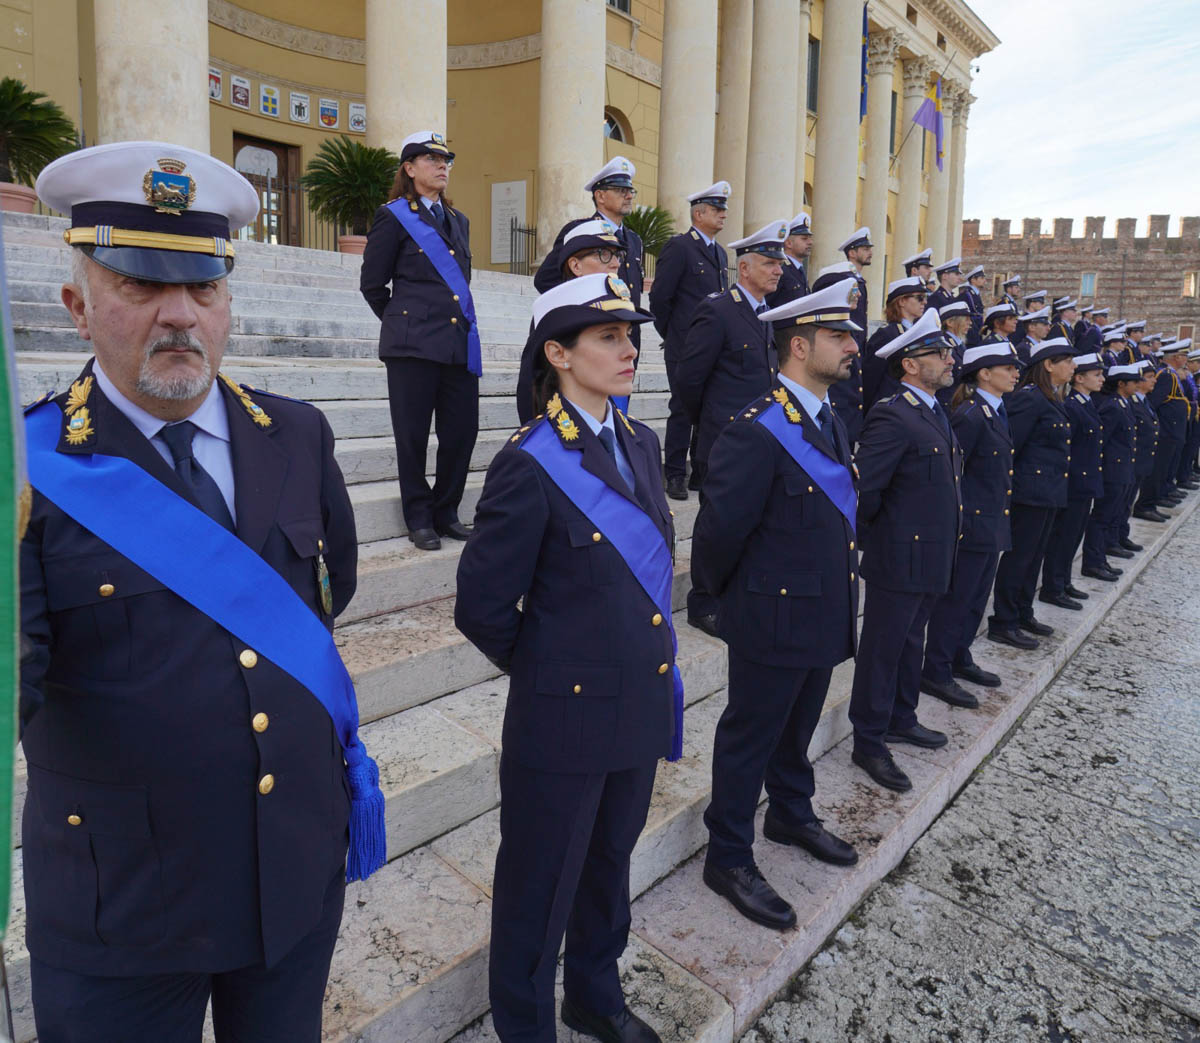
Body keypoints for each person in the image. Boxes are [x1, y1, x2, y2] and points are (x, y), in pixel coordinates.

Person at [25, 141, 375, 1040]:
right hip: (128, 910)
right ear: (77, 305)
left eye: (204, 288)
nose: (180, 315)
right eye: (141, 286)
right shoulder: (24, 475)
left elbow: (325, 592)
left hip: (293, 874)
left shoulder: (297, 435)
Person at [455, 273, 674, 1043]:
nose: (629, 350)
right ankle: (526, 1026)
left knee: (609, 865)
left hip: (638, 702)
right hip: (564, 718)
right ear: (558, 353)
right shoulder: (530, 459)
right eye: (607, 337)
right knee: (538, 886)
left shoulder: (640, 440)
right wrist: (554, 670)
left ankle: (593, 992)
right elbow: (481, 606)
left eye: (631, 335)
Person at [693, 281, 862, 929]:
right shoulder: (757, 427)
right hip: (771, 614)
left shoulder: (831, 417)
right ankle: (728, 853)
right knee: (749, 736)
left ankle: (790, 813)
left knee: (796, 728)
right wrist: (726, 604)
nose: (852, 346)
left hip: (823, 607)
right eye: (838, 336)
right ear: (799, 345)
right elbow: (718, 532)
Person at [848, 307, 962, 794]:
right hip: (899, 555)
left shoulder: (935, 410)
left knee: (911, 641)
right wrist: (882, 541)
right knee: (883, 648)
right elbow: (866, 491)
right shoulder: (893, 414)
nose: (949, 359)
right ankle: (869, 739)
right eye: (939, 353)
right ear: (911, 364)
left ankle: (901, 716)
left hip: (932, 554)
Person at [361, 129, 477, 551]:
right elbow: (373, 284)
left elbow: (461, 282)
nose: (442, 164)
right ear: (409, 169)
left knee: (461, 433)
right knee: (412, 435)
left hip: (456, 344)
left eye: (445, 159)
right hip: (412, 346)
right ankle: (419, 516)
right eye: (431, 159)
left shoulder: (459, 220)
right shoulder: (393, 215)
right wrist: (402, 323)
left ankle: (447, 512)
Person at [674, 220, 787, 635]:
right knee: (717, 526)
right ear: (744, 269)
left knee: (749, 524)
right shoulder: (718, 309)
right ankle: (702, 601)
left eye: (779, 263)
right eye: (770, 263)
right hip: (723, 441)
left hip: (761, 443)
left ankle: (732, 592)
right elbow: (690, 380)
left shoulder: (767, 316)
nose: (779, 270)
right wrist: (710, 427)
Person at [922, 342, 1019, 707]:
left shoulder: (995, 410)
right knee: (956, 601)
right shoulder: (970, 414)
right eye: (1007, 368)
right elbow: (954, 473)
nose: (1015, 374)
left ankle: (960, 656)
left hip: (992, 520)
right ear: (984, 373)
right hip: (972, 523)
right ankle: (936, 669)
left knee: (976, 599)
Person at [986, 338, 1076, 649]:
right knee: (1019, 558)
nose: (1073, 367)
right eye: (1067, 361)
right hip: (1029, 492)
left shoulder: (1053, 398)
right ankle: (1004, 620)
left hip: (1049, 491)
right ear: (1049, 365)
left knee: (1034, 557)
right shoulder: (1030, 399)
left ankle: (1023, 612)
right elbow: (1013, 446)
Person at [650, 181, 732, 500]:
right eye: (717, 209)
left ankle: (701, 470)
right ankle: (674, 473)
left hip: (713, 347)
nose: (723, 214)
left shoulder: (720, 253)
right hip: (684, 346)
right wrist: (673, 334)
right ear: (699, 214)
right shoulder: (680, 247)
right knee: (683, 409)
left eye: (723, 209)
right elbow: (660, 298)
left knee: (709, 410)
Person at [516, 219, 625, 424]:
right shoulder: (557, 313)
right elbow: (533, 383)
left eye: (617, 254)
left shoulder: (612, 308)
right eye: (603, 254)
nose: (615, 263)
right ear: (575, 265)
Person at [1039, 353, 1106, 602]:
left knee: (1074, 536)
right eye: (1096, 375)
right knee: (1063, 537)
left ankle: (1063, 581)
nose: (1102, 379)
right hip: (1073, 483)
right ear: (1079, 378)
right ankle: (1053, 586)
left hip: (1085, 482)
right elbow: (1068, 448)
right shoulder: (1073, 406)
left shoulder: (1087, 403)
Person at [1082, 364, 1142, 580]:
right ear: (1121, 384)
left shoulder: (1123, 404)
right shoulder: (1112, 406)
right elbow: (1102, 441)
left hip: (1123, 469)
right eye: (1134, 382)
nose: (1138, 385)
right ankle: (1093, 561)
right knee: (1101, 517)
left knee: (1111, 515)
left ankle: (1100, 559)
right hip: (1111, 471)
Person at [827, 227, 873, 446]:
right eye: (865, 248)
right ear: (852, 253)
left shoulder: (859, 282)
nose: (870, 252)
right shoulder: (842, 280)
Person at [863, 276, 927, 412]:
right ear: (902, 301)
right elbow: (870, 379)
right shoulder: (887, 334)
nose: (925, 302)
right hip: (889, 407)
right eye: (919, 298)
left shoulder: (915, 333)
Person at [1130, 359, 1168, 524]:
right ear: (1138, 381)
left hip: (1142, 460)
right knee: (1120, 504)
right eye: (1150, 376)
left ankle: (1120, 536)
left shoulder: (1144, 401)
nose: (1155, 380)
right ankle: (1112, 540)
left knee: (1127, 503)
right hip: (1132, 461)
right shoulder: (1132, 403)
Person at [766, 211, 813, 307]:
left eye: (810, 238)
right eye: (804, 238)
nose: (810, 242)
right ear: (788, 243)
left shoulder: (799, 270)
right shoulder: (781, 269)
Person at [937, 299, 973, 407]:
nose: (970, 323)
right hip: (948, 402)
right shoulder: (944, 344)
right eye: (965, 319)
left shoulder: (960, 344)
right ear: (950, 322)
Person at [961, 264, 987, 346]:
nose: (984, 281)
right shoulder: (967, 294)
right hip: (970, 333)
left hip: (977, 332)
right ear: (973, 280)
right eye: (981, 278)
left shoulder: (975, 294)